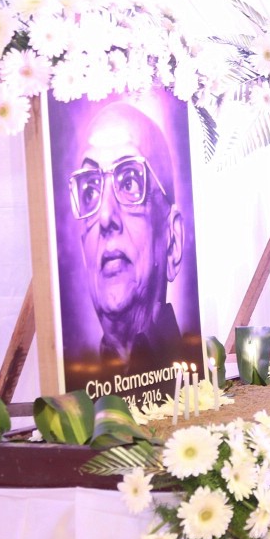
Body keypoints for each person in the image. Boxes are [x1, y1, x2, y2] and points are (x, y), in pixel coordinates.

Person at [69, 101, 185, 375]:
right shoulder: (77, 393)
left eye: (130, 182)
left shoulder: (190, 380)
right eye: (90, 191)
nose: (107, 216)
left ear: (173, 243)